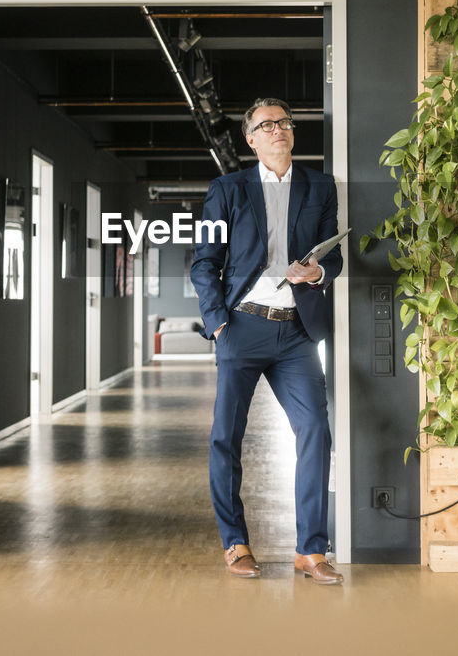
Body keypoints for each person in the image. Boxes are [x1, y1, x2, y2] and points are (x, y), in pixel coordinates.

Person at [190, 97, 344, 585]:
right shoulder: (227, 190)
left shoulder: (320, 187)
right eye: (266, 125)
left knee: (316, 431)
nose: (278, 129)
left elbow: (332, 257)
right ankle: (235, 543)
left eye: (284, 123)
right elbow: (203, 262)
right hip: (241, 326)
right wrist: (217, 324)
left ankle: (311, 550)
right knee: (225, 439)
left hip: (297, 331)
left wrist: (318, 270)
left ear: (292, 134)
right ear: (251, 139)